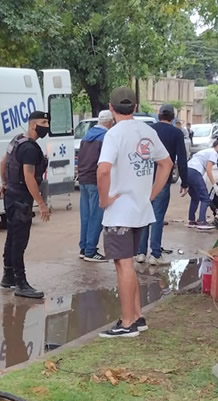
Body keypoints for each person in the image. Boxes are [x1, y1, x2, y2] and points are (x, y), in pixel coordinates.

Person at [96, 87, 173, 338]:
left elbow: (103, 170)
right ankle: (137, 317)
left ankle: (127, 322)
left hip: (119, 211)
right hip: (140, 210)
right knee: (128, 265)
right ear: (136, 106)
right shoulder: (147, 131)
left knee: (124, 265)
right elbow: (166, 163)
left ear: (111, 107)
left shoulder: (114, 134)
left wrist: (103, 198)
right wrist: (151, 193)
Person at [0, 111, 51, 299]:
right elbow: (29, 177)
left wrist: (4, 183)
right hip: (21, 198)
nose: (47, 125)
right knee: (19, 241)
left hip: (11, 194)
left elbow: (4, 161)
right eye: (44, 122)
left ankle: (8, 277)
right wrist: (41, 203)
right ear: (33, 125)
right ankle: (20, 283)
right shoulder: (29, 148)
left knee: (12, 237)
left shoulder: (17, 140)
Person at [137, 104, 188, 265]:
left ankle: (140, 253)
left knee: (144, 215)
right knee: (157, 217)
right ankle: (155, 254)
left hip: (144, 178)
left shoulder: (148, 130)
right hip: (163, 179)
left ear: (158, 115)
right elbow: (182, 158)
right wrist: (185, 182)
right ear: (173, 118)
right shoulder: (176, 133)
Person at [76, 110, 114, 262]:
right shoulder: (107, 138)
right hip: (95, 179)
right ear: (110, 122)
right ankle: (91, 250)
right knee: (96, 216)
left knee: (85, 216)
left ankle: (84, 247)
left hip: (84, 178)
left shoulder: (86, 135)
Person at [182, 137, 218, 231]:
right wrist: (214, 184)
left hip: (187, 171)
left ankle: (191, 220)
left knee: (195, 197)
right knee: (205, 198)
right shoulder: (214, 153)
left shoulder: (206, 151)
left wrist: (184, 183)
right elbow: (209, 169)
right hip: (195, 172)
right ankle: (202, 221)